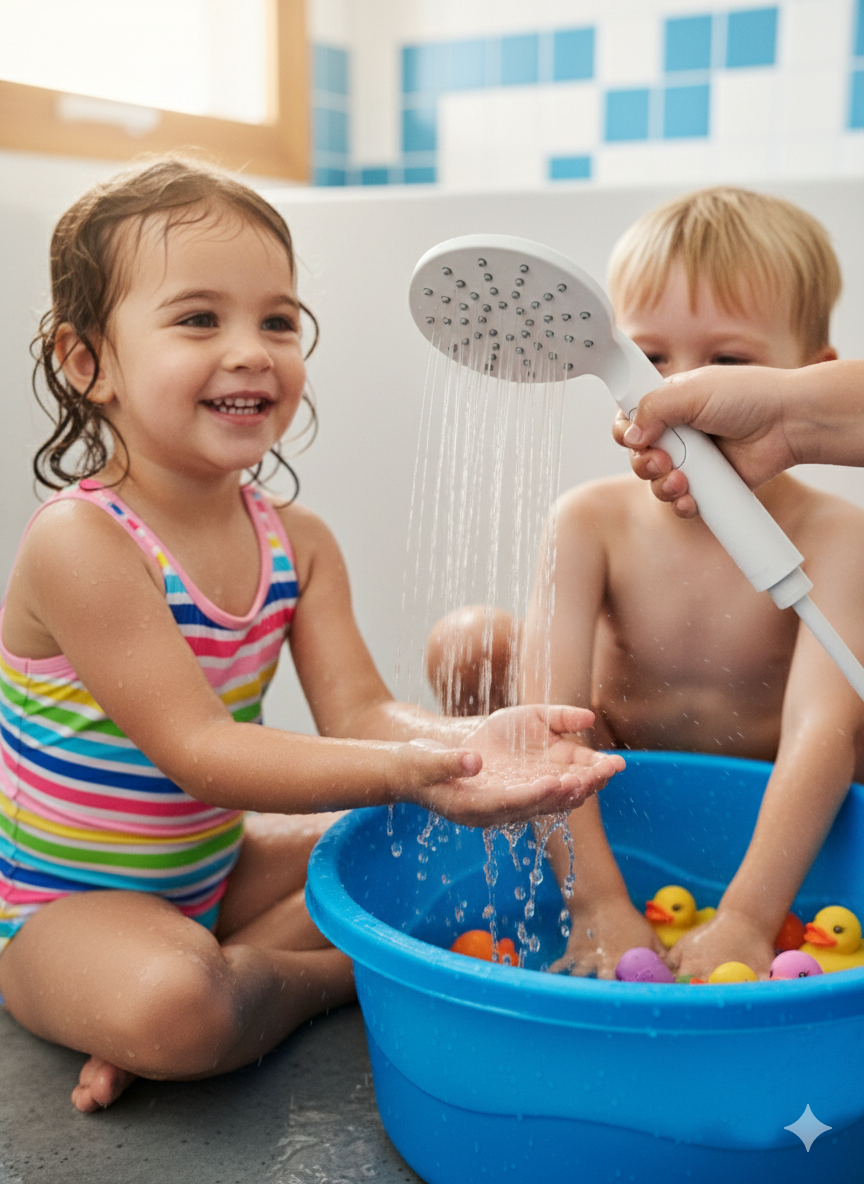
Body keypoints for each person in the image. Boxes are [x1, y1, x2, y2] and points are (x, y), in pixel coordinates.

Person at [0, 156, 623, 1113]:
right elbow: (203, 752)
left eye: (278, 321)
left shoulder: (299, 543)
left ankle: (216, 981)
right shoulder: (82, 542)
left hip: (219, 869)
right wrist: (417, 773)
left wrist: (464, 751)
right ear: (88, 363)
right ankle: (308, 982)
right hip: (60, 909)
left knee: (449, 830)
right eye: (200, 318)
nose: (253, 351)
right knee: (182, 1005)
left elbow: (362, 710)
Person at [427, 187, 864, 981]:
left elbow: (822, 734)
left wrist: (746, 919)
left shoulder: (838, 534)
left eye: (727, 361)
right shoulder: (590, 520)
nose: (676, 392)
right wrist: (597, 904)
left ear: (811, 380)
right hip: (614, 787)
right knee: (474, 644)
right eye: (649, 357)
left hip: (773, 807)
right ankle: (524, 850)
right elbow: (546, 719)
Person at [613, 357, 864, 514]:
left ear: (815, 364)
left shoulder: (845, 538)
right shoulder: (585, 521)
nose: (676, 382)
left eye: (726, 359)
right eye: (651, 358)